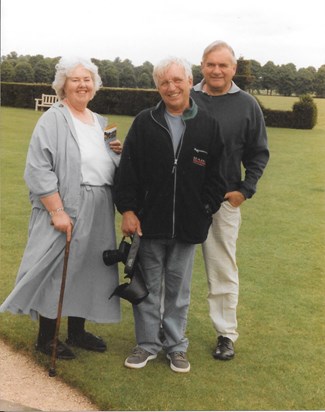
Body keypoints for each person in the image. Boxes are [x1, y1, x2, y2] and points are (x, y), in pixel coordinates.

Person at [0, 57, 123, 359]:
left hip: (99, 206)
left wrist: (119, 152)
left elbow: (110, 165)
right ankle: (47, 338)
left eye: (87, 80)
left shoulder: (102, 123)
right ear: (63, 86)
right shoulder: (53, 119)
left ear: (94, 86)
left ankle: (77, 332)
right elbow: (39, 167)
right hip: (66, 206)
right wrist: (57, 210)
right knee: (57, 269)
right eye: (75, 80)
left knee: (89, 269)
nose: (82, 85)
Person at [115, 57, 226, 373]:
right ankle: (148, 344)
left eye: (177, 80)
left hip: (188, 228)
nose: (171, 87)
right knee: (147, 289)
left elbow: (218, 176)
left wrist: (204, 211)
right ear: (157, 87)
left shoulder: (207, 125)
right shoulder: (144, 122)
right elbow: (128, 173)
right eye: (164, 82)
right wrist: (128, 210)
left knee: (179, 292)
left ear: (190, 81)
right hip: (148, 225)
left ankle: (176, 346)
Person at [191, 40, 270, 360]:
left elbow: (258, 153)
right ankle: (165, 328)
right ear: (202, 66)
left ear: (234, 69)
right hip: (183, 200)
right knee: (172, 269)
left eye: (223, 65)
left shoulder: (247, 105)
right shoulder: (188, 96)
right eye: (211, 64)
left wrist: (244, 190)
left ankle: (225, 334)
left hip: (223, 202)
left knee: (222, 269)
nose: (217, 70)